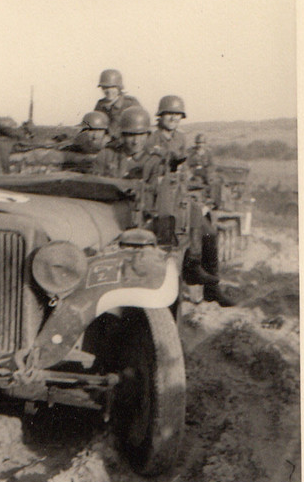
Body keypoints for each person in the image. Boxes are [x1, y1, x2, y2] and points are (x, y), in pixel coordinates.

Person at [145, 96, 234, 307]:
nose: (173, 118)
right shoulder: (151, 138)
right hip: (157, 197)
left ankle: (212, 289)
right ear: (160, 116)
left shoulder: (180, 138)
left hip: (178, 194)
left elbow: (183, 170)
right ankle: (186, 273)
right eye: (169, 114)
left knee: (209, 232)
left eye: (177, 114)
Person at [93, 105, 154, 179]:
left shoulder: (153, 159)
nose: (136, 141)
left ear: (148, 135)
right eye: (131, 135)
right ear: (122, 135)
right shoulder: (106, 155)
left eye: (141, 135)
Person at [94, 69, 140, 139]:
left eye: (112, 87)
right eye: (105, 87)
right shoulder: (100, 105)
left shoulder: (130, 103)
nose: (109, 91)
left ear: (119, 88)